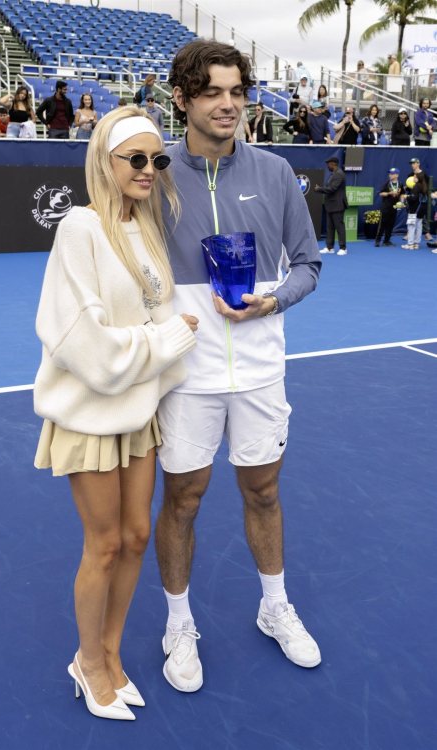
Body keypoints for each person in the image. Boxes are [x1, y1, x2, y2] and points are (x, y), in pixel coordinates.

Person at [154, 39, 322, 694]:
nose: (228, 104)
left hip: (259, 372)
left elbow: (309, 266)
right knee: (184, 500)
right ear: (182, 98)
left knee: (263, 492)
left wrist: (272, 299)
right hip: (184, 377)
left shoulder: (277, 173)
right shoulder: (156, 172)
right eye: (211, 92)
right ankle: (177, 622)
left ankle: (273, 605)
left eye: (236, 91)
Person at [33, 107, 198, 719]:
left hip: (138, 414)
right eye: (137, 159)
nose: (150, 170)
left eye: (159, 160)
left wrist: (166, 336)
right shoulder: (81, 227)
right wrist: (168, 341)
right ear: (106, 162)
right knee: (102, 545)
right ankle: (87, 660)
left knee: (134, 538)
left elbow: (158, 314)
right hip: (90, 417)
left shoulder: (146, 228)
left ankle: (110, 650)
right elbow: (86, 345)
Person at [315, 156, 348, 255]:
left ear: (333, 164)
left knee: (339, 227)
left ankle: (343, 248)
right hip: (331, 205)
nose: (327, 166)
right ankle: (330, 247)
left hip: (337, 205)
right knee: (329, 227)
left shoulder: (339, 174)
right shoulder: (334, 174)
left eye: (328, 164)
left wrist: (319, 189)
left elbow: (333, 188)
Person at [375, 167, 404, 247]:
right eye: (389, 174)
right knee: (382, 225)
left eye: (392, 174)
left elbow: (402, 194)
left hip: (394, 208)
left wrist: (402, 202)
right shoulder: (387, 184)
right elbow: (381, 193)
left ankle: (386, 241)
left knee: (390, 225)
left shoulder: (400, 184)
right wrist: (389, 193)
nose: (390, 175)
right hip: (385, 207)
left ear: (397, 175)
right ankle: (377, 240)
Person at [407, 158, 432, 240]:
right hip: (411, 199)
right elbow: (408, 187)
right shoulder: (410, 175)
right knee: (410, 217)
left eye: (414, 163)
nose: (412, 165)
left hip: (420, 200)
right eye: (411, 163)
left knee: (420, 218)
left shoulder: (423, 175)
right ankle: (409, 234)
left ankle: (426, 233)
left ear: (418, 163)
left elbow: (426, 187)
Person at [402, 174, 427, 250]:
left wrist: (407, 197)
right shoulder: (424, 187)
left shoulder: (416, 186)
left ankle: (410, 244)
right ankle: (416, 244)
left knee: (411, 226)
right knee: (419, 226)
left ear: (419, 178)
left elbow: (413, 198)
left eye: (415, 177)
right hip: (422, 209)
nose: (413, 178)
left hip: (415, 209)